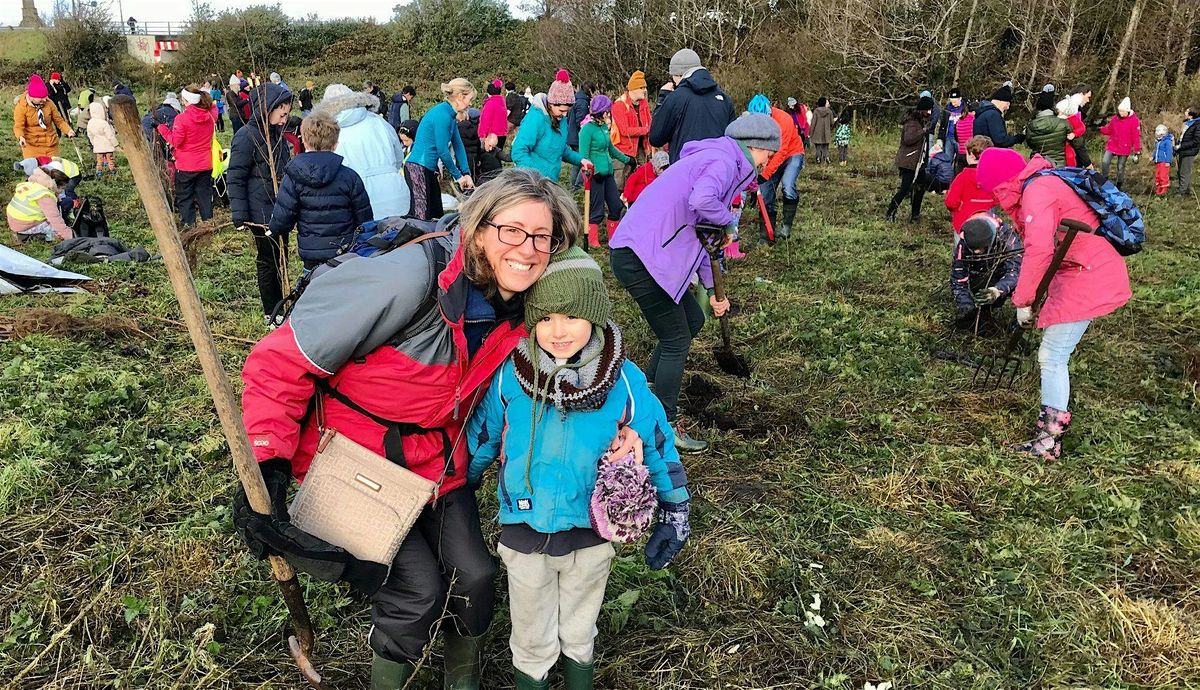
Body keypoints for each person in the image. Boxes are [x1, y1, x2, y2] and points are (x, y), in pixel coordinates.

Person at [233, 168, 645, 689]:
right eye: (512, 230)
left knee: (475, 576)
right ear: (477, 227)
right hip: (353, 459)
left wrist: (621, 428)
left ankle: (462, 682)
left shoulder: (528, 306)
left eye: (542, 236)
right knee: (417, 591)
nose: (528, 247)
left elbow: (581, 362)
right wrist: (266, 461)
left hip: (439, 463)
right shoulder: (411, 280)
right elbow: (278, 364)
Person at [467, 246, 691, 690]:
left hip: (592, 532)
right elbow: (484, 436)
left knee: (579, 627)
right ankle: (532, 674)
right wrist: (459, 486)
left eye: (571, 316)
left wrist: (674, 504)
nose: (557, 331)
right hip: (525, 530)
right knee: (531, 636)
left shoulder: (623, 380)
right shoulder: (512, 375)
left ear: (594, 313)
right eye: (545, 317)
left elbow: (658, 441)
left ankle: (577, 677)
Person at [610, 113, 779, 454]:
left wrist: (714, 290)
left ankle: (649, 389)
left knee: (693, 318)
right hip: (640, 257)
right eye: (769, 154)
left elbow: (705, 238)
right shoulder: (722, 163)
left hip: (648, 256)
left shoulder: (720, 161)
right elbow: (702, 203)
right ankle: (663, 423)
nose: (769, 161)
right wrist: (729, 222)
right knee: (676, 337)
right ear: (756, 148)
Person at [976, 147, 1130, 460]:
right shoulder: (1037, 185)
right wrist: (1034, 297)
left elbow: (1039, 250)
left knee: (1052, 355)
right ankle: (1048, 437)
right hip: (1077, 270)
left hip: (1089, 274)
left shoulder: (1038, 192)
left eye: (992, 188)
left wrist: (1023, 300)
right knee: (1053, 354)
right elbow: (1049, 254)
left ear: (1000, 181)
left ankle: (1048, 441)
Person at [267, 112, 372, 270]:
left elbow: (283, 218)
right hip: (344, 254)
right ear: (335, 143)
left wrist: (274, 229)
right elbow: (364, 220)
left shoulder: (294, 176)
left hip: (312, 256)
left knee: (313, 289)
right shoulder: (350, 177)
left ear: (304, 140)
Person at [228, 83, 293, 323]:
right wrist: (240, 215)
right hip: (260, 212)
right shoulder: (246, 137)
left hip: (278, 210)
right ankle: (272, 310)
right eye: (282, 113)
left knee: (281, 257)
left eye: (286, 114)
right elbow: (235, 177)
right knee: (268, 260)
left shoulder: (277, 136)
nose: (285, 118)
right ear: (267, 109)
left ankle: (283, 303)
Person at [314, 84, 409, 220]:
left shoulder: (328, 132)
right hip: (395, 194)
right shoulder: (379, 122)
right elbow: (398, 156)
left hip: (358, 201)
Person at [648, 48, 735, 164]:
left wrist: (662, 99)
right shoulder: (724, 99)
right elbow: (732, 140)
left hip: (685, 170)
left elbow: (656, 138)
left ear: (678, 74)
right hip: (717, 170)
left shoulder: (676, 97)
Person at [405, 77, 476, 220]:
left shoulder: (450, 115)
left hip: (429, 169)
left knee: (436, 213)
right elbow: (442, 150)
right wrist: (458, 176)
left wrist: (466, 172)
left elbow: (458, 145)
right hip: (418, 167)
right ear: (461, 97)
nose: (470, 104)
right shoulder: (442, 115)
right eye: (470, 99)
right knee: (421, 217)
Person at [512, 70, 590, 184]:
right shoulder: (536, 118)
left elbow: (561, 150)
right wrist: (537, 177)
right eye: (561, 110)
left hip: (550, 182)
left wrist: (581, 160)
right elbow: (519, 151)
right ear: (551, 104)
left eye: (566, 112)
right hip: (532, 182)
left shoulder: (561, 120)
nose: (564, 115)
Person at [949, 212, 1022, 333]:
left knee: (1027, 286)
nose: (976, 252)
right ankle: (983, 313)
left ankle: (1016, 328)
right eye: (973, 249)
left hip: (1003, 277)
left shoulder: (1008, 238)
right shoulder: (966, 238)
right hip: (980, 275)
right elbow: (958, 279)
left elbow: (1015, 271)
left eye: (980, 248)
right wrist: (968, 309)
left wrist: (997, 290)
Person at [746, 94, 804, 242]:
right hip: (772, 157)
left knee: (788, 185)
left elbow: (781, 152)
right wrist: (754, 179)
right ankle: (766, 236)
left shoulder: (784, 120)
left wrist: (764, 175)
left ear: (769, 112)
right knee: (765, 194)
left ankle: (786, 228)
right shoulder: (753, 124)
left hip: (792, 153)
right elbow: (755, 150)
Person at [158, 85, 217, 227]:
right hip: (205, 163)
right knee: (204, 195)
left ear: (185, 100)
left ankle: (189, 224)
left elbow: (176, 142)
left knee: (185, 196)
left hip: (186, 165)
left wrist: (162, 129)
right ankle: (208, 223)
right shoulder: (209, 116)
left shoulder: (182, 119)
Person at [578, 94, 632, 248]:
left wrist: (627, 159)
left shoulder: (603, 128)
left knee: (616, 206)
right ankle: (592, 241)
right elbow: (584, 156)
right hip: (594, 176)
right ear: (600, 112)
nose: (609, 114)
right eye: (607, 111)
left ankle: (613, 238)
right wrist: (592, 172)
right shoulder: (587, 130)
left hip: (607, 173)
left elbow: (611, 149)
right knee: (596, 209)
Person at [885, 96, 934, 223]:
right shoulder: (912, 123)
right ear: (923, 110)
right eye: (928, 110)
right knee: (905, 189)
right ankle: (890, 212)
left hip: (918, 162)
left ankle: (915, 215)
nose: (930, 112)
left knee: (920, 188)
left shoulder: (920, 121)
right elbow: (908, 139)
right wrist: (923, 131)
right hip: (909, 162)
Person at [944, 135, 995, 239]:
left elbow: (951, 202)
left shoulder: (962, 178)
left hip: (964, 224)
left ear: (971, 155)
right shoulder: (993, 178)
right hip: (988, 224)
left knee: (961, 251)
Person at [6, 163, 72, 242]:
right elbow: (55, 219)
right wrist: (68, 235)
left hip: (15, 220)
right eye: (62, 188)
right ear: (55, 185)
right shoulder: (45, 196)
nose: (63, 191)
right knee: (57, 234)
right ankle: (27, 237)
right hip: (25, 225)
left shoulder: (34, 185)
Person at [13, 74, 74, 159]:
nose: (44, 100)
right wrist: (21, 136)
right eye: (41, 98)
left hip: (50, 144)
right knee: (37, 171)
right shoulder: (21, 107)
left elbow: (59, 121)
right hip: (31, 146)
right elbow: (19, 125)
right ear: (32, 97)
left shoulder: (49, 103)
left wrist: (68, 130)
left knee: (54, 170)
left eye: (45, 97)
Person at [610, 70, 652, 189]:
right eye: (642, 87)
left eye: (645, 87)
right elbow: (624, 131)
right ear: (633, 89)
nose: (645, 90)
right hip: (623, 149)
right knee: (621, 181)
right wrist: (645, 130)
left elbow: (650, 122)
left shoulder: (644, 104)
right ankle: (617, 205)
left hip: (641, 149)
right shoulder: (619, 105)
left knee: (643, 179)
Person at [1099, 97, 1141, 189]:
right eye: (1119, 111)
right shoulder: (1115, 119)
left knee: (1120, 167)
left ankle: (1119, 184)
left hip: (1125, 147)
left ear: (1128, 111)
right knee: (1105, 161)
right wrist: (1100, 129)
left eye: (1123, 111)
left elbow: (1136, 136)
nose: (1121, 113)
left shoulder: (1134, 121)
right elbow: (1109, 130)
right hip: (1113, 144)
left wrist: (1137, 149)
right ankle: (1104, 179)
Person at [1023, 89, 1073, 167]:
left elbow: (1029, 144)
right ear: (1052, 106)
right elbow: (1075, 143)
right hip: (1059, 166)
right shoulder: (1064, 123)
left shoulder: (1030, 126)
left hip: (1038, 166)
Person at [973, 82, 1024, 149]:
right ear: (1001, 101)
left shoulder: (982, 113)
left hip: (982, 152)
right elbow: (1000, 140)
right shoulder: (993, 115)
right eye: (1007, 104)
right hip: (992, 154)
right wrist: (1017, 139)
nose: (1007, 107)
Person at [478, 80, 510, 183]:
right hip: (502, 133)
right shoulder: (502, 102)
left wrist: (482, 134)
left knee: (488, 156)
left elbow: (485, 120)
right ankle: (498, 173)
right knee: (498, 155)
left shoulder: (490, 103)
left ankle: (489, 176)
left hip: (492, 134)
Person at [566, 82, 595, 190]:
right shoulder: (583, 103)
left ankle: (573, 186)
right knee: (583, 161)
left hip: (572, 135)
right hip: (578, 137)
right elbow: (581, 122)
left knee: (576, 163)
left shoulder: (576, 99)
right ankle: (578, 186)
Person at [86, 100, 118, 179]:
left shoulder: (90, 123)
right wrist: (116, 144)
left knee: (99, 161)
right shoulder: (104, 123)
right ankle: (113, 173)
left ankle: (98, 173)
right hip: (108, 146)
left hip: (98, 146)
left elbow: (90, 135)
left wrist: (94, 143)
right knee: (110, 159)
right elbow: (110, 135)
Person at [936, 87, 966, 159]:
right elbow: (943, 124)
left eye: (955, 102)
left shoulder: (966, 109)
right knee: (947, 159)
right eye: (952, 101)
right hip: (949, 138)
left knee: (960, 160)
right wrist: (940, 138)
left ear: (960, 98)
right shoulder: (947, 109)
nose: (953, 103)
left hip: (961, 139)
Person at [1175, 106, 1199, 195]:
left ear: (1191, 114)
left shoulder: (1197, 125)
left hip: (1189, 151)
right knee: (1182, 170)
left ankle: (1182, 192)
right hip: (1183, 150)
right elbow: (1183, 137)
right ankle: (1187, 190)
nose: (1185, 112)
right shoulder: (1187, 123)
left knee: (1184, 172)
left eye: (1187, 111)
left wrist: (1181, 146)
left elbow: (1196, 141)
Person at [457, 106, 483, 181]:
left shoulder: (458, 128)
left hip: (462, 158)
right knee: (473, 177)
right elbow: (478, 146)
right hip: (473, 158)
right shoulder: (476, 130)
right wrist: (478, 158)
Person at [809, 97, 835, 164]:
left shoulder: (816, 111)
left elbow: (813, 123)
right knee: (826, 148)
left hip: (817, 133)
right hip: (826, 132)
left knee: (818, 147)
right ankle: (827, 158)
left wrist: (810, 133)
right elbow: (832, 123)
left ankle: (818, 159)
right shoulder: (829, 111)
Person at [953, 101, 977, 173]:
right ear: (974, 111)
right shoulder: (974, 120)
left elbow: (956, 137)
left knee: (959, 175)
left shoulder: (959, 120)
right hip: (971, 153)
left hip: (961, 152)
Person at [1152, 124, 1174, 197]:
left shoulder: (1167, 141)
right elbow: (1156, 151)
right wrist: (1153, 157)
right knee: (1158, 175)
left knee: (1163, 175)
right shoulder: (1158, 141)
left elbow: (1169, 152)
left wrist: (1168, 161)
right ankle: (1159, 187)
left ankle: (1164, 188)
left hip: (1164, 161)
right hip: (1158, 161)